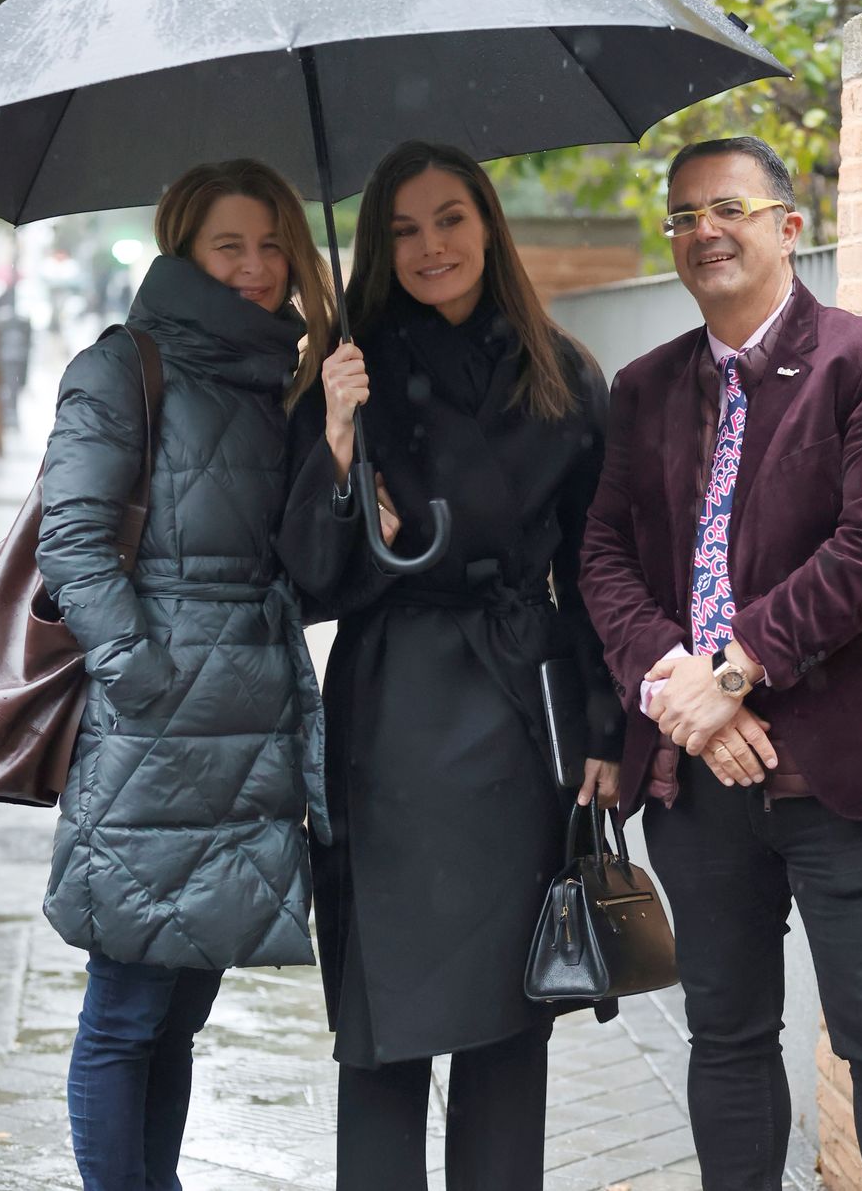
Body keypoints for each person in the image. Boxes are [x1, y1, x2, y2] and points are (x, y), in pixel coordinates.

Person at [578, 136, 862, 1191]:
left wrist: (729, 673)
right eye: (681, 217)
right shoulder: (644, 386)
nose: (702, 231)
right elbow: (605, 554)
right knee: (723, 1033)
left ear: (789, 228)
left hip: (847, 763)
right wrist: (676, 684)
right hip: (698, 779)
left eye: (728, 209)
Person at [277, 139, 624, 1191]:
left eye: (450, 219)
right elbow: (306, 582)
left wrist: (608, 729)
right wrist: (335, 440)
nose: (430, 246)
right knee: (386, 1028)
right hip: (391, 717)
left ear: (488, 224)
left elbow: (593, 563)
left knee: (510, 1028)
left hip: (524, 714)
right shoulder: (351, 371)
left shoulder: (563, 370)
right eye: (402, 228)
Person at [36, 158, 336, 1191]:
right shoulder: (125, 365)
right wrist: (144, 680)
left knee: (180, 1013)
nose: (255, 268)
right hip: (155, 735)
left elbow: (309, 561)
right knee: (125, 1011)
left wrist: (341, 430)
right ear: (183, 250)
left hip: (250, 732)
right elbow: (71, 541)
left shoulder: (280, 380)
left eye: (270, 245)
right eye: (228, 245)